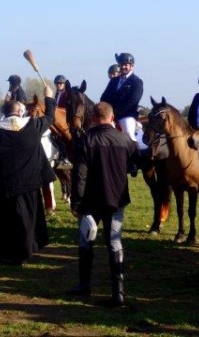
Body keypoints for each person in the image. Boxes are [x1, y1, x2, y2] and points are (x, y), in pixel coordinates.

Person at [69, 101, 139, 307]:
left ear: (92, 118)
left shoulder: (85, 140)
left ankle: (84, 285)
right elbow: (137, 159)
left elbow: (79, 175)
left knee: (85, 241)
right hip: (116, 200)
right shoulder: (125, 139)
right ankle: (118, 293)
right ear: (112, 117)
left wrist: (77, 201)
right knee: (115, 243)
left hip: (90, 202)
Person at [0, 84, 56, 266]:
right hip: (28, 184)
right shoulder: (33, 126)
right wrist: (49, 97)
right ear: (20, 112)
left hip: (2, 184)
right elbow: (50, 118)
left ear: (4, 113)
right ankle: (23, 252)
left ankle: (1, 253)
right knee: (26, 219)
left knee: (2, 222)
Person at [100, 53, 144, 142]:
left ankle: (135, 152)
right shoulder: (114, 80)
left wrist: (116, 112)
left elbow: (133, 100)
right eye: (121, 64)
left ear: (132, 66)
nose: (123, 67)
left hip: (126, 115)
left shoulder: (136, 82)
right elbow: (104, 97)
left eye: (126, 65)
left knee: (128, 134)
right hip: (110, 115)